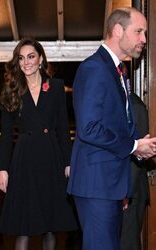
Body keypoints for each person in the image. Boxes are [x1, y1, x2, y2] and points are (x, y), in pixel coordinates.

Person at [67, 7, 156, 250]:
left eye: (144, 33)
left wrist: (136, 149)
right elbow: (89, 128)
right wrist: (134, 145)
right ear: (117, 30)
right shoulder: (95, 68)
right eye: (138, 31)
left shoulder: (115, 70)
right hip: (97, 184)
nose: (144, 40)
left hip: (109, 185)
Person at [0, 37, 78, 250]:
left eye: (31, 56)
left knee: (50, 227)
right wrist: (3, 169)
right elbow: (6, 135)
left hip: (51, 157)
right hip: (24, 159)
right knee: (24, 227)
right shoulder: (12, 89)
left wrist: (68, 162)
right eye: (22, 58)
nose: (26, 62)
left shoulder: (56, 86)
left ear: (40, 58)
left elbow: (63, 128)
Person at [120, 64, 150, 250]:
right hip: (122, 192)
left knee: (128, 245)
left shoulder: (134, 106)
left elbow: (138, 156)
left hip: (131, 193)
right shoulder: (119, 105)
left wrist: (125, 193)